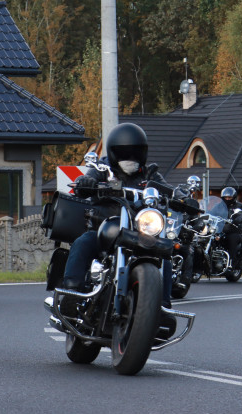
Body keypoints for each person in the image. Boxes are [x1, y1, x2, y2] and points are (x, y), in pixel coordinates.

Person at [61, 122, 176, 307]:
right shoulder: (103, 169)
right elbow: (86, 180)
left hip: (139, 232)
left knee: (164, 252)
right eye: (124, 153)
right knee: (83, 242)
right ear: (114, 153)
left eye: (135, 152)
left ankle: (162, 306)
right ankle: (72, 293)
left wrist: (181, 197)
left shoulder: (150, 174)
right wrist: (85, 182)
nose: (130, 157)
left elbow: (168, 191)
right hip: (105, 229)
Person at [219, 186, 242, 266]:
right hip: (220, 230)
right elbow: (211, 212)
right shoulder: (219, 206)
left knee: (232, 239)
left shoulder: (239, 206)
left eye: (229, 197)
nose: (227, 199)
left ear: (234, 197)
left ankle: (232, 262)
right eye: (226, 197)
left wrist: (237, 220)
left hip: (234, 230)